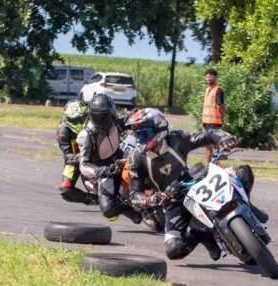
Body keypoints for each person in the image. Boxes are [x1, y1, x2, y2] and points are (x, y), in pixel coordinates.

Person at [126, 107, 261, 261]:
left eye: (143, 134)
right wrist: (150, 200)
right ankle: (200, 235)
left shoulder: (176, 138)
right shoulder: (136, 158)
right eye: (137, 135)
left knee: (243, 172)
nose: (139, 139)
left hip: (196, 182)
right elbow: (134, 194)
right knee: (174, 250)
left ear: (159, 129)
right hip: (173, 202)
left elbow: (208, 135)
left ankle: (248, 206)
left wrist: (224, 137)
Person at [78, 94, 142, 224]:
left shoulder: (116, 123)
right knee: (108, 210)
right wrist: (101, 171)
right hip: (106, 169)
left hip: (121, 155)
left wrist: (137, 115)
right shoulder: (87, 135)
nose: (103, 120)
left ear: (112, 112)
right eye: (99, 117)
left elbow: (131, 120)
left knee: (145, 161)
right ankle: (126, 208)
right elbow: (83, 164)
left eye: (106, 116)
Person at [56, 99, 97, 205]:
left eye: (81, 118)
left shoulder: (94, 119)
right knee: (65, 189)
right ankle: (95, 199)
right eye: (75, 120)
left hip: (99, 152)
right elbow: (67, 156)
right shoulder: (63, 132)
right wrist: (80, 158)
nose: (79, 123)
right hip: (77, 158)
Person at [201, 68, 225, 164]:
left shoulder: (218, 90)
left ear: (216, 77)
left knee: (215, 145)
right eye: (207, 76)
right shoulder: (207, 89)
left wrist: (222, 118)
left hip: (214, 123)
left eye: (211, 76)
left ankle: (219, 167)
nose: (209, 78)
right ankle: (208, 167)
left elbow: (221, 106)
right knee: (207, 145)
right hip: (206, 122)